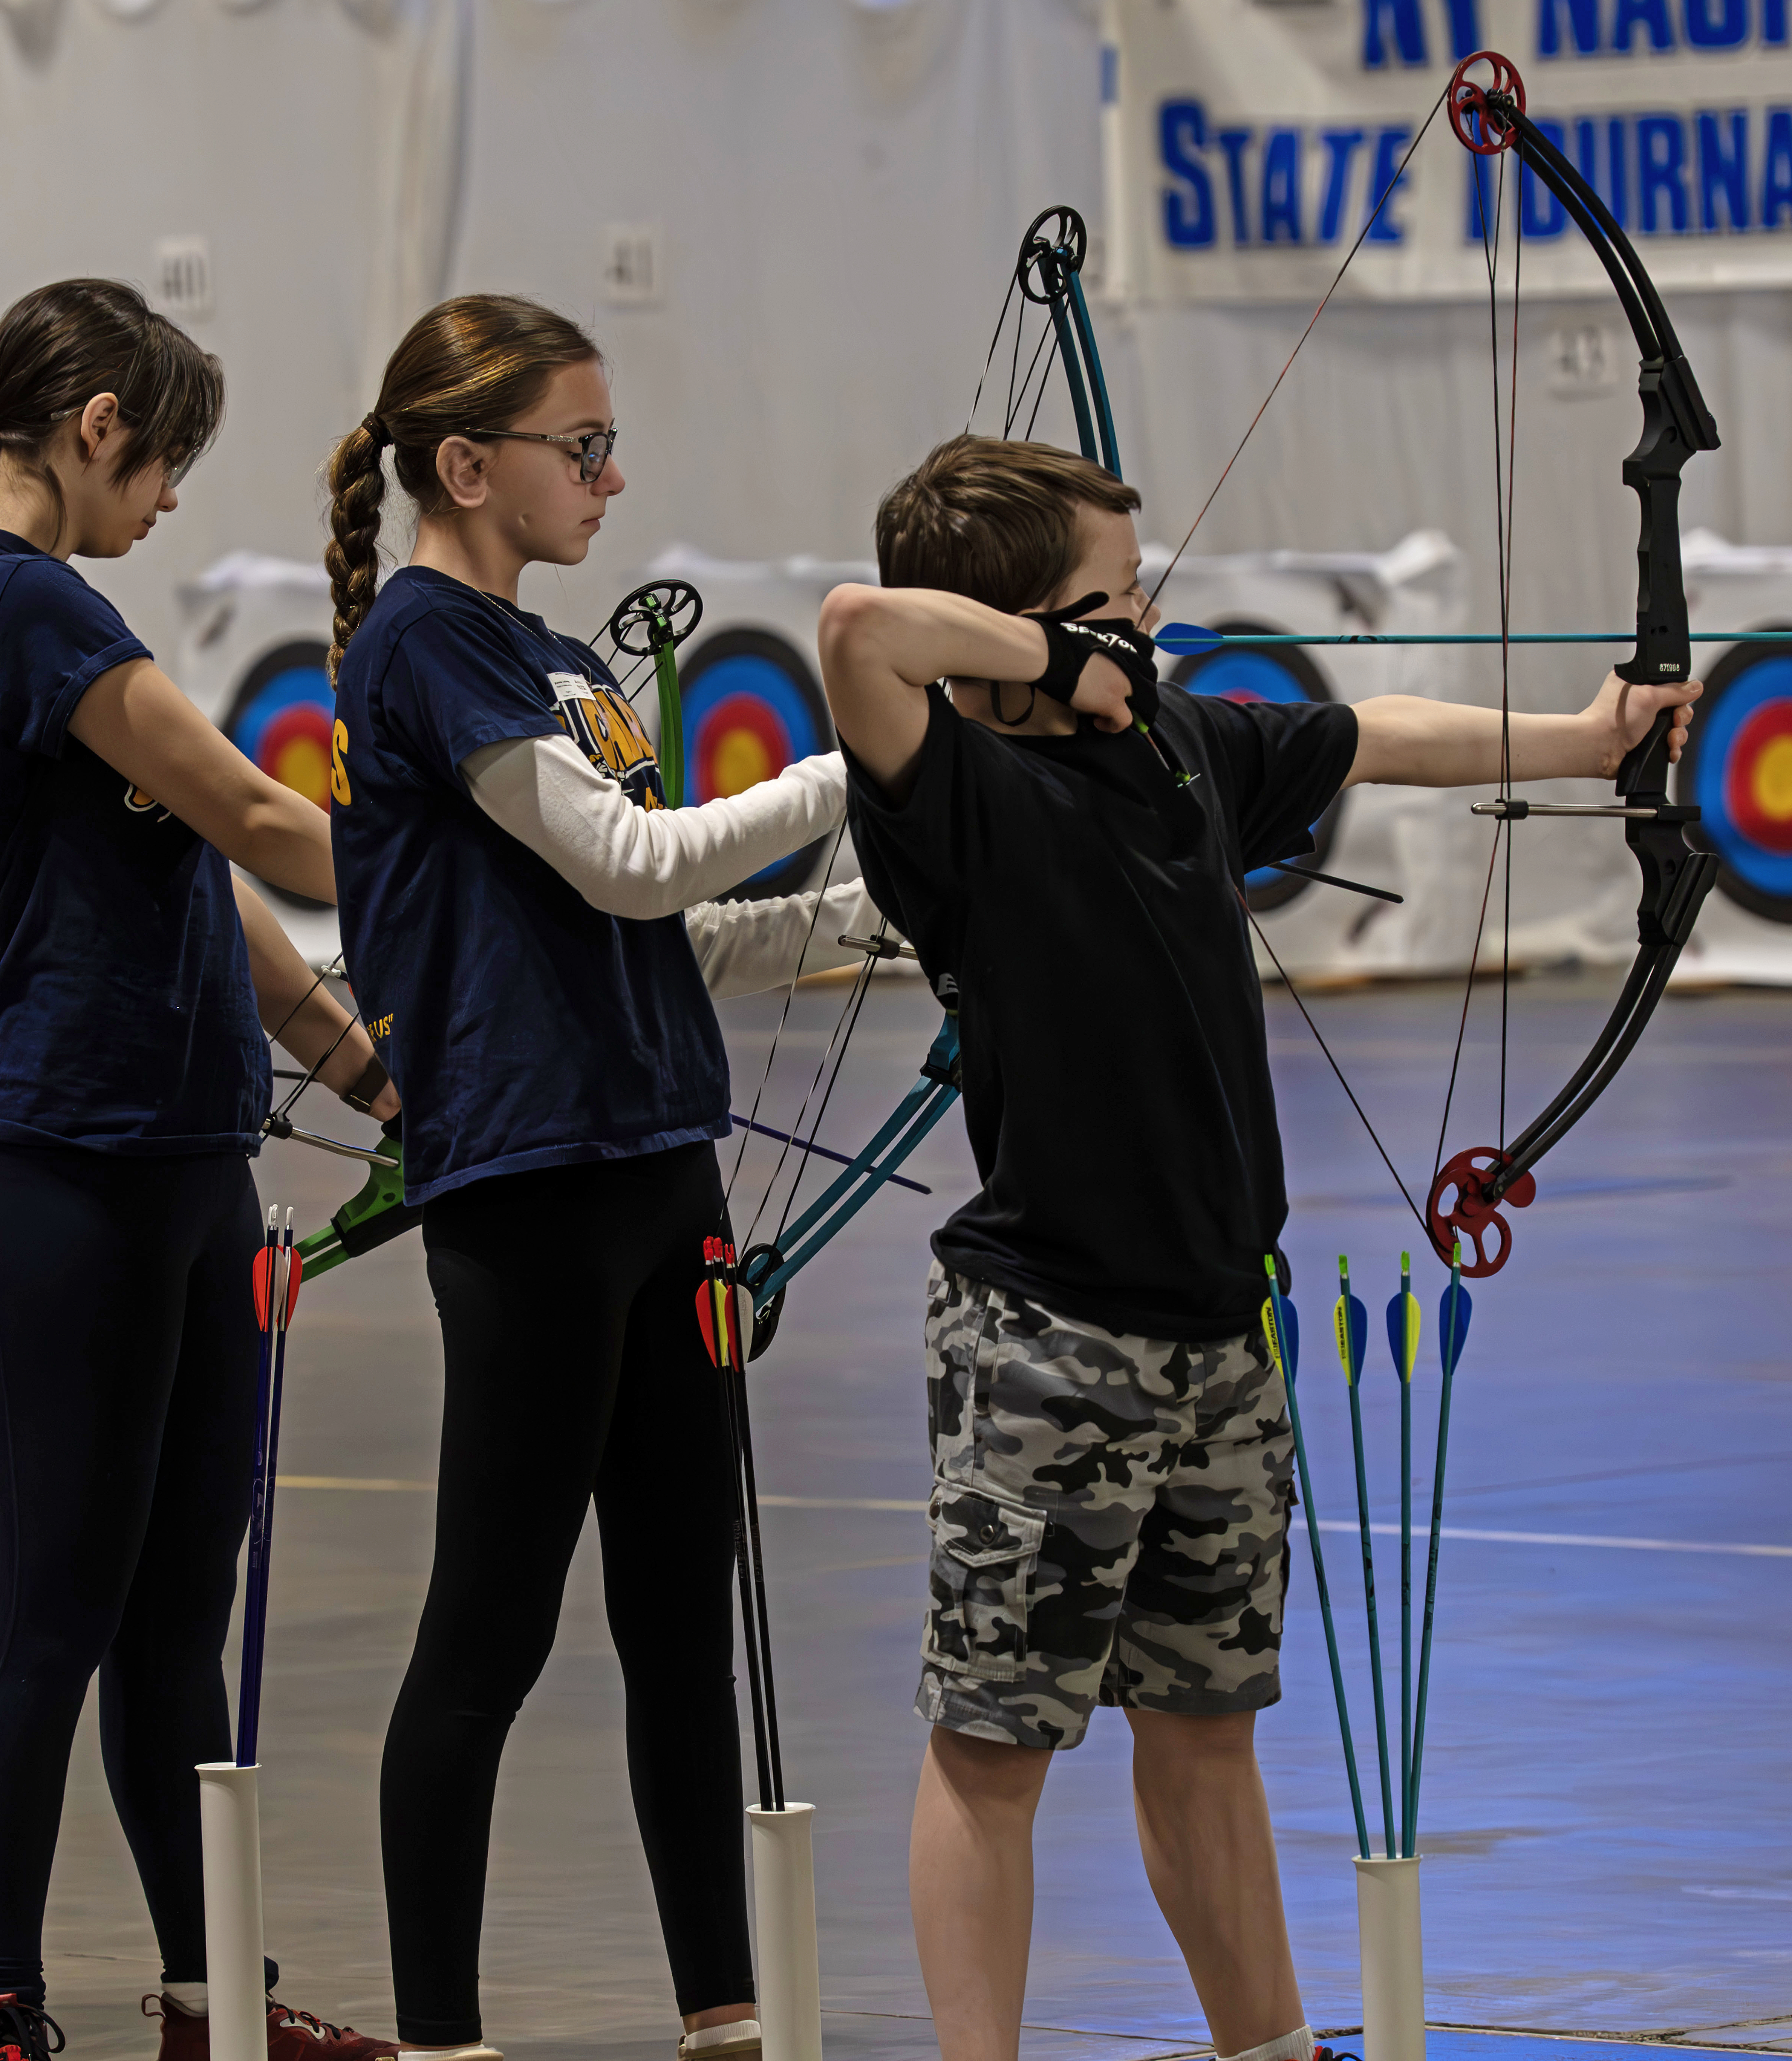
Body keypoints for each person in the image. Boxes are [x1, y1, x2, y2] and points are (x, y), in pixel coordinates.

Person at [817, 433, 1700, 2061]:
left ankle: (1270, 2046)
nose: (1146, 621)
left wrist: (1587, 741)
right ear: (1028, 628)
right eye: (1116, 596)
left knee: (1208, 1726)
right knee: (995, 1742)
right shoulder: (957, 798)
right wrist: (1055, 653)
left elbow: (1375, 736)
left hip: (1222, 1329)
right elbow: (861, 629)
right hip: (1047, 1338)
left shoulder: (1174, 746)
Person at [322, 296, 884, 2061]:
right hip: (531, 1187)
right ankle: (442, 2033)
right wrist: (872, 763)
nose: (612, 475)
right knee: (487, 1629)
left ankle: (723, 2010)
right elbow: (636, 865)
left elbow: (659, 936)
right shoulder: (424, 644)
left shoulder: (554, 657)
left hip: (659, 1171)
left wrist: (903, 906)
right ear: (468, 463)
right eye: (584, 447)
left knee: (676, 1618)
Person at [0, 279, 403, 2061]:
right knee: (52, 1602)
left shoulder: (71, 620)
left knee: (176, 1612)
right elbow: (252, 811)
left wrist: (355, 1056)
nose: (168, 501)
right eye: (164, 462)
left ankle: (204, 1994)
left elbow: (185, 867)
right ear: (97, 423)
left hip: (183, 1164)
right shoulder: (20, 601)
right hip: (59, 1167)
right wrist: (499, 880)